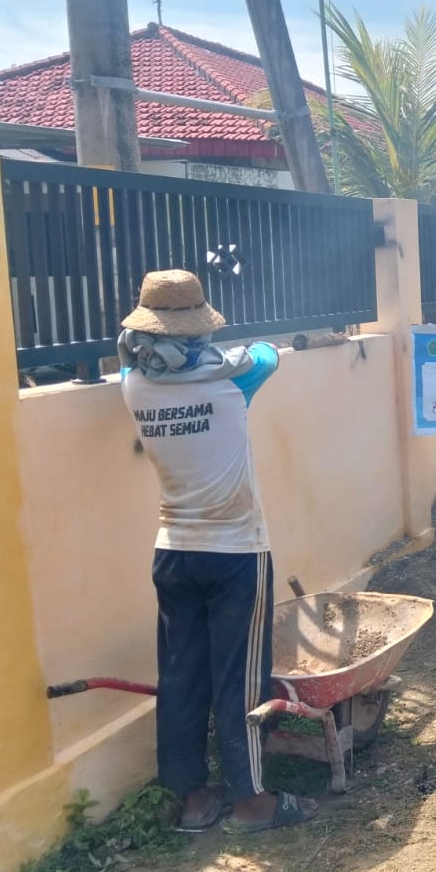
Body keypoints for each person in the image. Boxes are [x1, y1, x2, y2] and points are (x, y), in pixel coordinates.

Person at [118, 270, 317, 834]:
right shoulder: (235, 379)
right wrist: (235, 348)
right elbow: (267, 354)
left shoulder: (131, 382)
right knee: (240, 677)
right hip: (234, 553)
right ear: (198, 329)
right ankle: (253, 802)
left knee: (181, 676)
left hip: (172, 552)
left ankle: (193, 802)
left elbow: (141, 363)